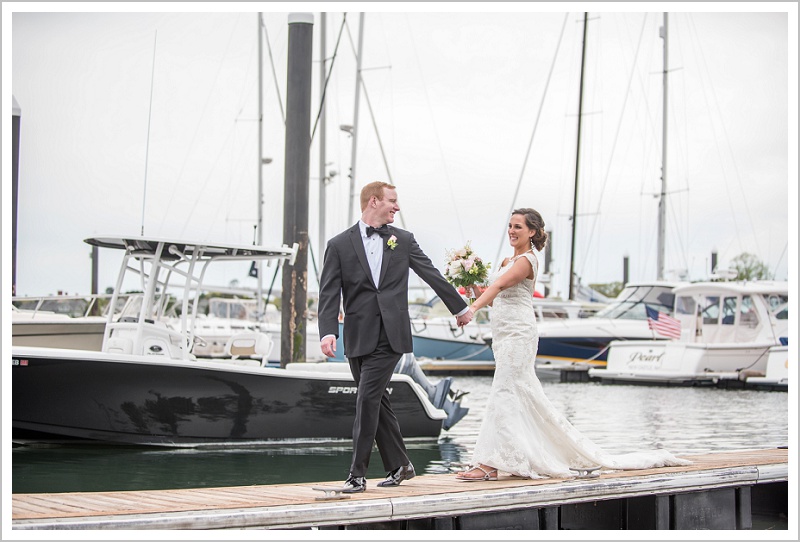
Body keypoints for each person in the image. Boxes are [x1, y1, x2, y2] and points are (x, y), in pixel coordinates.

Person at [455, 208, 691, 481]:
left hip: (519, 334)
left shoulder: (527, 261)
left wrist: (471, 310)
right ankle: (504, 458)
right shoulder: (507, 260)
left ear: (531, 232)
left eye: (518, 226)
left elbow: (496, 288)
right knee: (514, 393)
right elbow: (494, 297)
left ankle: (488, 464)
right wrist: (471, 286)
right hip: (502, 333)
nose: (511, 231)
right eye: (509, 225)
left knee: (503, 392)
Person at [318, 181, 472, 493]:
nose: (397, 207)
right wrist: (327, 332)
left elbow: (430, 273)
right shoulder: (338, 245)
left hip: (391, 334)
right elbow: (329, 291)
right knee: (377, 401)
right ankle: (401, 465)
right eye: (392, 201)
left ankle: (356, 476)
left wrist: (459, 307)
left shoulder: (402, 240)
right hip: (358, 335)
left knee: (366, 399)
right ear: (373, 201)